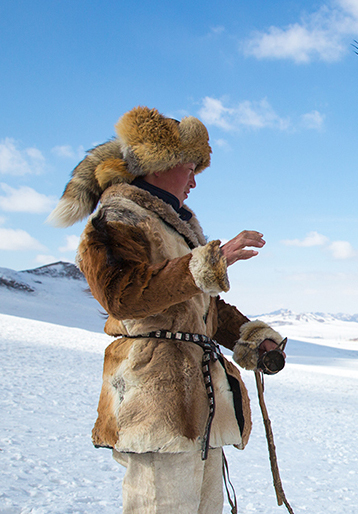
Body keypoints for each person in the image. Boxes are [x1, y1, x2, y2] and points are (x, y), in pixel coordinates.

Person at [47, 106, 285, 513]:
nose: (194, 181)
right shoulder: (119, 216)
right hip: (155, 400)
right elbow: (122, 295)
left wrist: (251, 338)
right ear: (161, 163)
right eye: (190, 168)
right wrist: (209, 262)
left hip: (199, 405)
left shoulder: (178, 226)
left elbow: (199, 306)